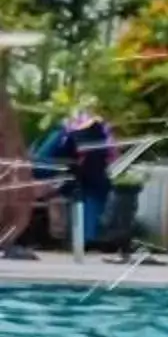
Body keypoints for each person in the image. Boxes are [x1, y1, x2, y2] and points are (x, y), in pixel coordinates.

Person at [38, 104, 115, 254]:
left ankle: (85, 238)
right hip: (68, 173)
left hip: (71, 174)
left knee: (91, 193)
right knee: (92, 193)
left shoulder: (64, 132)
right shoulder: (82, 133)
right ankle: (86, 239)